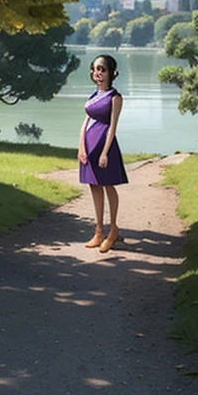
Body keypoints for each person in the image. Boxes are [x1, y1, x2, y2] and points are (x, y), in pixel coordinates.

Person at [78, 54, 129, 253]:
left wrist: (105, 152)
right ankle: (98, 231)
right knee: (94, 187)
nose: (97, 73)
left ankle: (113, 230)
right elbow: (86, 121)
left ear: (111, 72)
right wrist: (81, 147)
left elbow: (112, 127)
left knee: (108, 186)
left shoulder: (115, 97)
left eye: (102, 69)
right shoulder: (93, 95)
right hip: (88, 148)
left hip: (104, 147)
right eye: (95, 69)